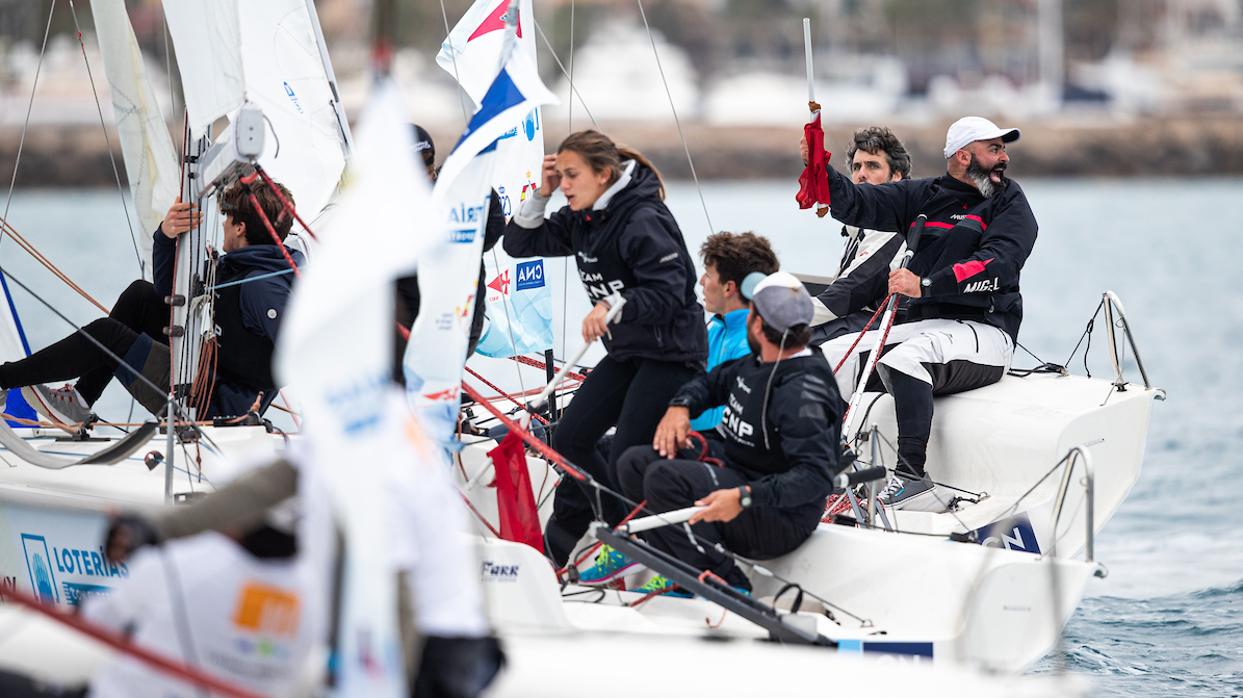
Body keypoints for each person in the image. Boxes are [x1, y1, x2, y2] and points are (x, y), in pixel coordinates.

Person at [503, 129, 707, 566]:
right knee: (568, 439)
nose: (567, 186)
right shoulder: (584, 218)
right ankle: (610, 527)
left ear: (604, 174)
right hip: (627, 353)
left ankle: (633, 539)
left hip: (672, 354)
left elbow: (672, 292)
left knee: (623, 458)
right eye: (563, 176)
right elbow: (518, 245)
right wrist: (543, 193)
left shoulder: (642, 218)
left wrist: (616, 303)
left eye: (573, 175)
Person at [817, 116, 1038, 508]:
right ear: (964, 156)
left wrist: (927, 285)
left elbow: (999, 263)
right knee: (832, 358)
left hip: (988, 331)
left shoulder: (1009, 201)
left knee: (905, 359)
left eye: (1003, 149)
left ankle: (911, 476)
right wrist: (819, 169)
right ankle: (833, 479)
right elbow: (857, 204)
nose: (1004, 158)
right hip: (929, 326)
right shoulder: (924, 195)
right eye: (995, 149)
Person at [608, 272, 845, 595]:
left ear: (757, 326)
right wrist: (681, 407)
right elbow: (711, 383)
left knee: (664, 478)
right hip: (740, 474)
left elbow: (816, 477)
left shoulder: (802, 393)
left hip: (778, 516)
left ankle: (726, 582)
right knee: (633, 462)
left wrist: (744, 497)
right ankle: (680, 566)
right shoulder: (760, 361)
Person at [0, 176, 302, 423]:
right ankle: (79, 401)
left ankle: (4, 378)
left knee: (109, 335)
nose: (222, 223)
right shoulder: (241, 266)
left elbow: (304, 349)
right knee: (140, 296)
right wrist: (167, 235)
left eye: (227, 217)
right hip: (205, 376)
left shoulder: (263, 287)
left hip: (215, 407)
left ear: (240, 227)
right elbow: (167, 294)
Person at [392, 124, 506, 383]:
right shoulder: (463, 185)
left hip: (434, 325)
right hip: (456, 322)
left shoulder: (390, 202)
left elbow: (492, 230)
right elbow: (492, 233)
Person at [798, 126, 913, 346]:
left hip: (886, 330)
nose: (861, 173)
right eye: (857, 166)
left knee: (790, 343)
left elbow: (850, 292)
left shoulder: (895, 227)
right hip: (858, 319)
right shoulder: (862, 228)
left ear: (897, 176)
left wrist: (785, 318)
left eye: (872, 166)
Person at [691, 231, 780, 432]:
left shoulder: (753, 346)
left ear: (729, 288)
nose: (701, 282)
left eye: (708, 274)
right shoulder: (715, 327)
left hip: (710, 450)